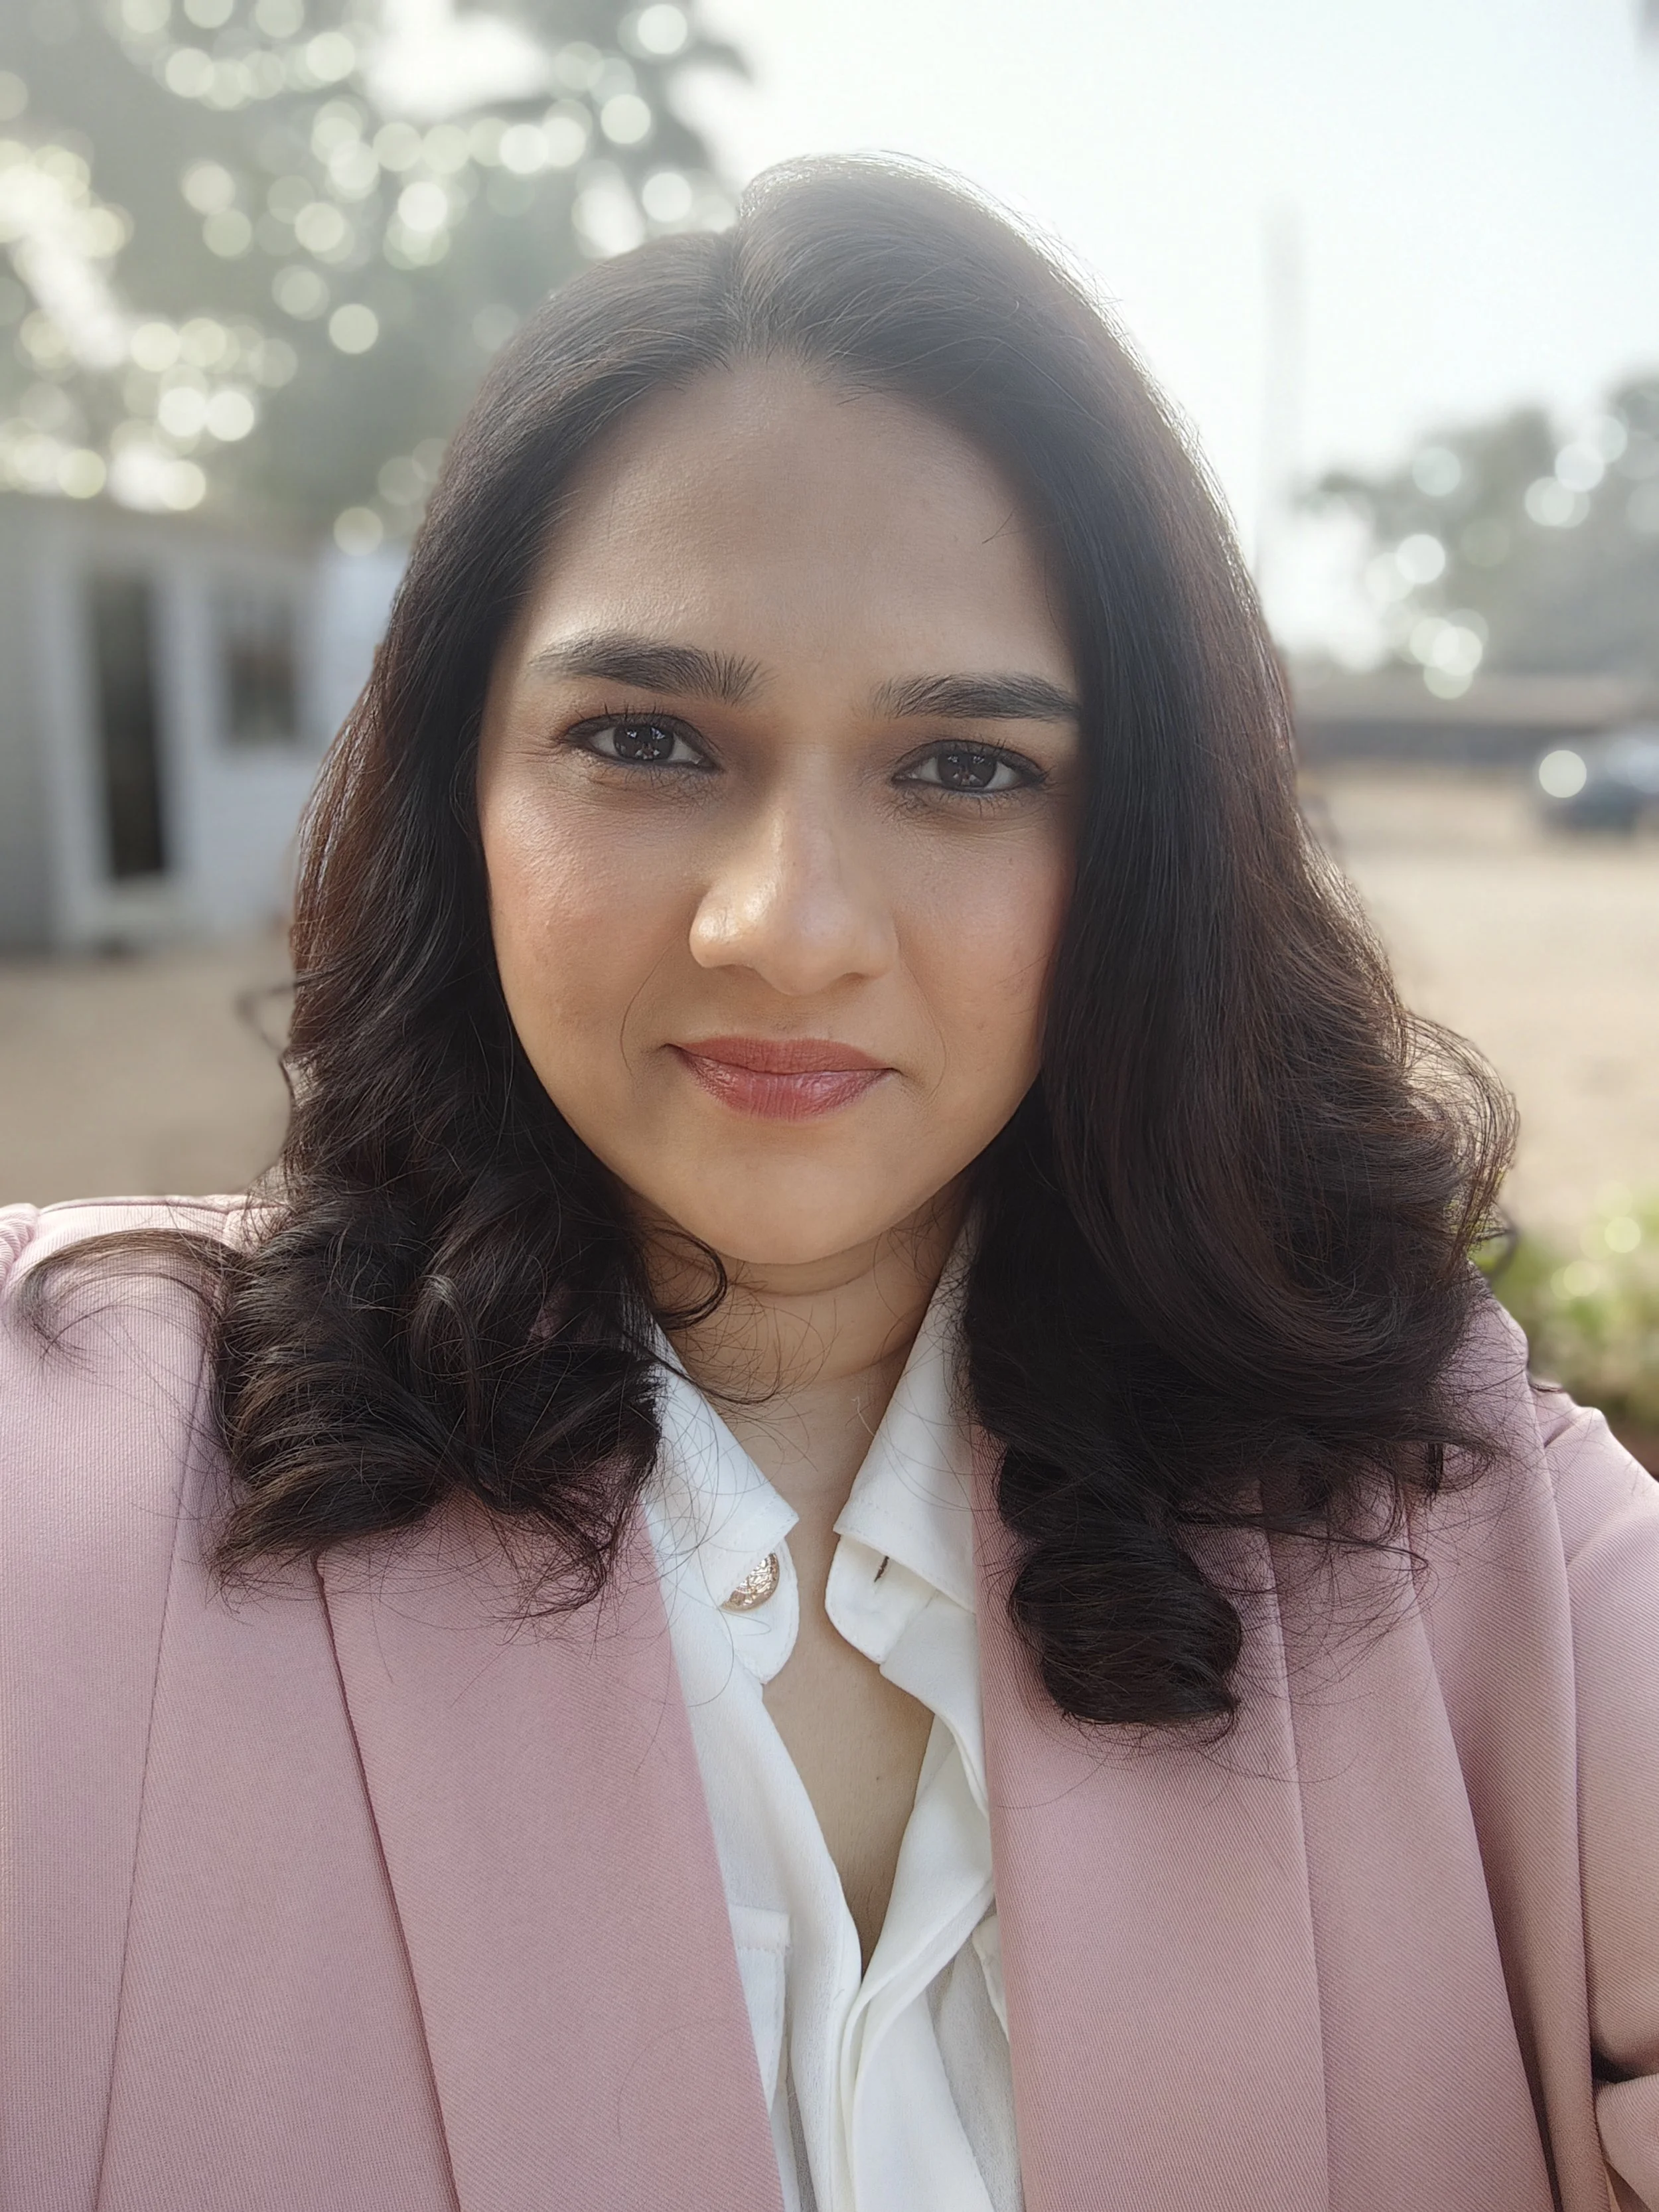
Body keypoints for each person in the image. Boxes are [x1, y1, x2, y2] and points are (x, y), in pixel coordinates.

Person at [2, 157, 1656, 2212]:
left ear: (1140, 840)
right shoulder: (59, 1456)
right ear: (462, 787)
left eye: (962, 767)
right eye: (648, 737)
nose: (785, 927)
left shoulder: (1464, 1522)